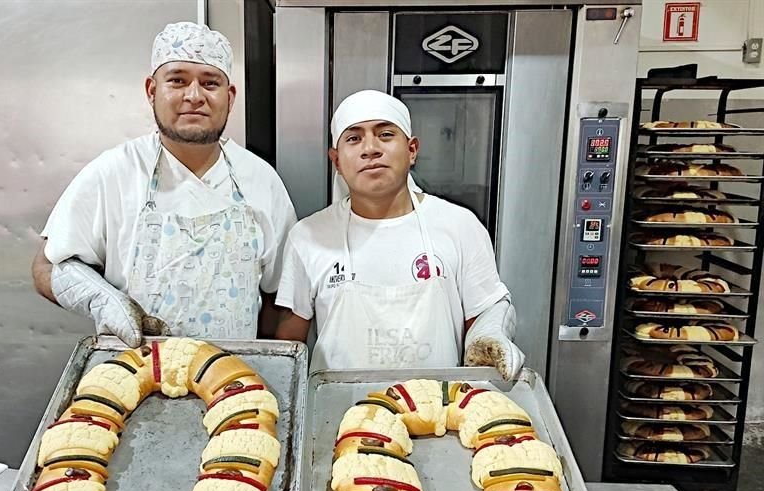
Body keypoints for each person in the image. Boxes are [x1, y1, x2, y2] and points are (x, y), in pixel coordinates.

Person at [32, 22, 296, 346]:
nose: (194, 96)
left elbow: (278, 295)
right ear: (152, 91)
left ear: (230, 97)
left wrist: (265, 362)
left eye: (210, 83)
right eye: (177, 81)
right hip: (133, 375)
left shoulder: (261, 181)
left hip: (230, 379)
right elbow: (46, 266)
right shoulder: (115, 172)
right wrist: (103, 300)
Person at [274, 90, 524, 380]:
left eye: (385, 134)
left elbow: (486, 308)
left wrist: (490, 333)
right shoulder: (308, 237)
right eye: (354, 138)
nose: (370, 149)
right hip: (338, 416)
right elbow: (290, 345)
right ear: (337, 161)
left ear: (412, 150)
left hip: (435, 414)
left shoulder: (459, 226)